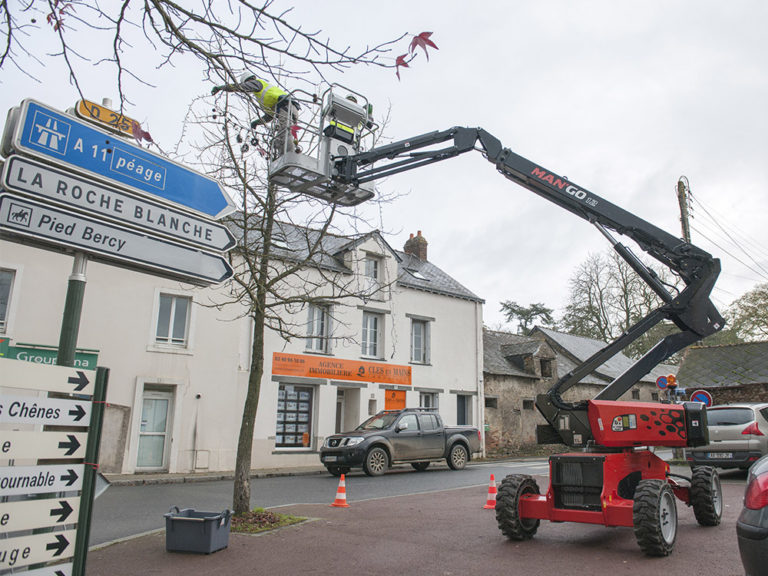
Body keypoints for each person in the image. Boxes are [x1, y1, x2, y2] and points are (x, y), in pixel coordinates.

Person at [211, 73, 300, 154]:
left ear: (249, 80)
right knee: (280, 137)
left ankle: (288, 156)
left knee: (284, 132)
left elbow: (240, 87)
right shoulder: (262, 95)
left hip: (286, 107)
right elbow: (269, 116)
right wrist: (258, 122)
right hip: (287, 109)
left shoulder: (257, 83)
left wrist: (221, 87)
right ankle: (283, 155)